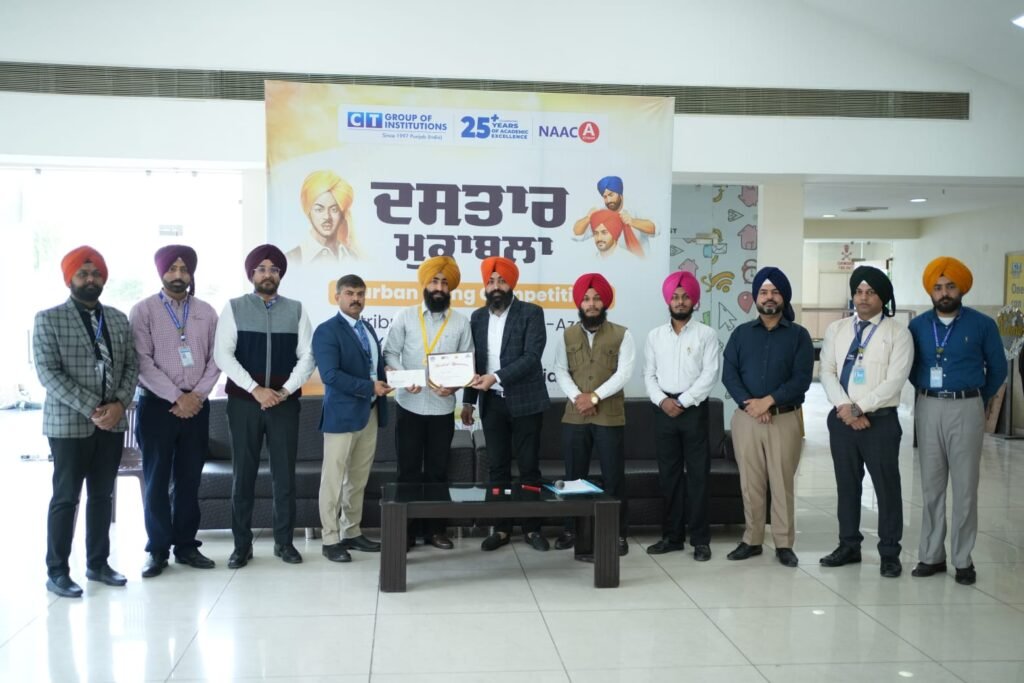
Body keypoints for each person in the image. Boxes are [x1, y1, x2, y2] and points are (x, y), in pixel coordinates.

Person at [34, 246, 139, 597]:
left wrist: (120, 404)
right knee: (66, 497)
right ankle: (57, 571)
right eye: (83, 274)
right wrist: (95, 407)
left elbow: (131, 365)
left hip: (112, 422)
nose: (90, 279)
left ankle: (98, 563)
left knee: (102, 495)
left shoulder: (118, 319)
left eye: (96, 274)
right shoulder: (49, 319)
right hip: (69, 423)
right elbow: (48, 373)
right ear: (70, 279)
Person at [213, 245, 315, 567]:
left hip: (284, 404)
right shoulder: (234, 308)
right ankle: (241, 546)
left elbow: (308, 356)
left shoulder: (296, 310)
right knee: (243, 476)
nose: (268, 274)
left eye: (274, 269)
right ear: (251, 274)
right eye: (261, 268)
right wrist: (255, 389)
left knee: (284, 476)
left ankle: (284, 543)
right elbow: (223, 355)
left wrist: (284, 391)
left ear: (280, 275)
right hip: (244, 404)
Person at [908, 256, 1007, 585]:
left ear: (961, 288)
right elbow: (910, 367)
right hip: (928, 406)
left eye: (950, 286)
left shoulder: (982, 324)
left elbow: (998, 369)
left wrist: (976, 398)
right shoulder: (919, 326)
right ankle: (931, 555)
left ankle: (963, 559)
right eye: (938, 287)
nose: (944, 293)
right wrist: (926, 392)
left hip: (966, 407)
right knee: (931, 486)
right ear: (930, 291)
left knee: (965, 488)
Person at [130, 245, 221, 578]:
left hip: (197, 405)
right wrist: (176, 397)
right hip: (157, 406)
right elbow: (141, 362)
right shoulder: (143, 311)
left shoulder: (207, 312)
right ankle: (157, 549)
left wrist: (196, 396)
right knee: (156, 480)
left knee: (189, 479)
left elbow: (216, 359)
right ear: (161, 272)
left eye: (184, 269)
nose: (178, 275)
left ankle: (185, 545)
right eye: (172, 269)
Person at [818, 266, 913, 578]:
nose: (863, 298)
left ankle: (889, 552)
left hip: (880, 422)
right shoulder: (837, 329)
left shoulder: (898, 333)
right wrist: (846, 408)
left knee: (886, 487)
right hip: (843, 421)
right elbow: (827, 371)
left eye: (870, 292)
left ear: (882, 297)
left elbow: (895, 380)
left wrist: (860, 408)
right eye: (858, 292)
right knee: (847, 486)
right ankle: (848, 545)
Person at [722, 266, 813, 567]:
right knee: (751, 483)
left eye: (775, 292)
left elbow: (801, 378)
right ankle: (752, 539)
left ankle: (784, 544)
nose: (769, 297)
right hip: (747, 418)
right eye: (763, 292)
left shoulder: (799, 336)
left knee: (782, 482)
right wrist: (751, 404)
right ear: (756, 297)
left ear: (784, 297)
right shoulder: (741, 334)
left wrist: (768, 402)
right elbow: (729, 374)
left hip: (784, 418)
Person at [383, 256, 473, 551]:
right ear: (425, 284)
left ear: (450, 288)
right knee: (407, 471)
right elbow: (390, 353)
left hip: (442, 409)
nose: (439, 288)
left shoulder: (460, 322)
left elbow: (467, 362)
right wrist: (402, 377)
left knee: (437, 471)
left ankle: (435, 530)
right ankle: (406, 532)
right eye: (434, 281)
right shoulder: (405, 316)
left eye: (445, 283)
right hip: (408, 404)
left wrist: (455, 385)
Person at [461, 257, 551, 551]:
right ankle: (501, 528)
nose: (496, 286)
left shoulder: (531, 313)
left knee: (529, 468)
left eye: (501, 280)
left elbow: (531, 357)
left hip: (527, 402)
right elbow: (474, 362)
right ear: (485, 286)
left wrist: (496, 377)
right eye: (491, 281)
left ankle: (532, 528)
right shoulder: (477, 317)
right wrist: (468, 402)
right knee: (497, 468)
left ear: (511, 283)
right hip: (492, 404)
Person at [552, 273, 635, 556]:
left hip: (608, 416)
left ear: (605, 302)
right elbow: (560, 369)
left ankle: (617, 533)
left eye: (597, 298)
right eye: (586, 299)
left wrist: (595, 397)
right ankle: (571, 530)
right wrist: (579, 398)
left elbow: (624, 373)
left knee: (614, 477)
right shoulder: (567, 335)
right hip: (575, 415)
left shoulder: (623, 334)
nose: (591, 304)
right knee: (573, 477)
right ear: (580, 303)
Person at [642, 271, 721, 560]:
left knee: (698, 477)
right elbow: (648, 374)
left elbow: (710, 375)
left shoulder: (706, 334)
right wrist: (663, 401)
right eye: (675, 297)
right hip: (663, 410)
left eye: (685, 296)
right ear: (668, 300)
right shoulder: (655, 336)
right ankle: (672, 537)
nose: (680, 301)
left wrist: (683, 402)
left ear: (694, 300)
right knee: (669, 477)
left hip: (694, 411)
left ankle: (700, 540)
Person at [313, 274, 390, 562]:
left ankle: (351, 531)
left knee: (357, 479)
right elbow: (330, 376)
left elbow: (373, 367)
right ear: (337, 297)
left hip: (370, 412)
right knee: (333, 480)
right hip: (342, 415)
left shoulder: (366, 328)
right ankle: (330, 538)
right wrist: (370, 387)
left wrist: (387, 377)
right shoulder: (326, 331)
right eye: (349, 293)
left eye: (360, 294)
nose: (355, 299)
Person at [286, 170, 363, 265]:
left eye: (334, 209)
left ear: (342, 214)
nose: (327, 217)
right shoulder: (290, 259)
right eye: (319, 209)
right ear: (309, 212)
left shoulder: (353, 258)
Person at [572, 175, 657, 253]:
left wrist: (632, 221)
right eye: (605, 197)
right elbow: (577, 233)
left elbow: (655, 228)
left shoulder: (636, 206)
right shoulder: (601, 212)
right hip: (611, 261)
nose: (608, 200)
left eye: (611, 195)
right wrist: (588, 218)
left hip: (641, 262)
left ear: (620, 194)